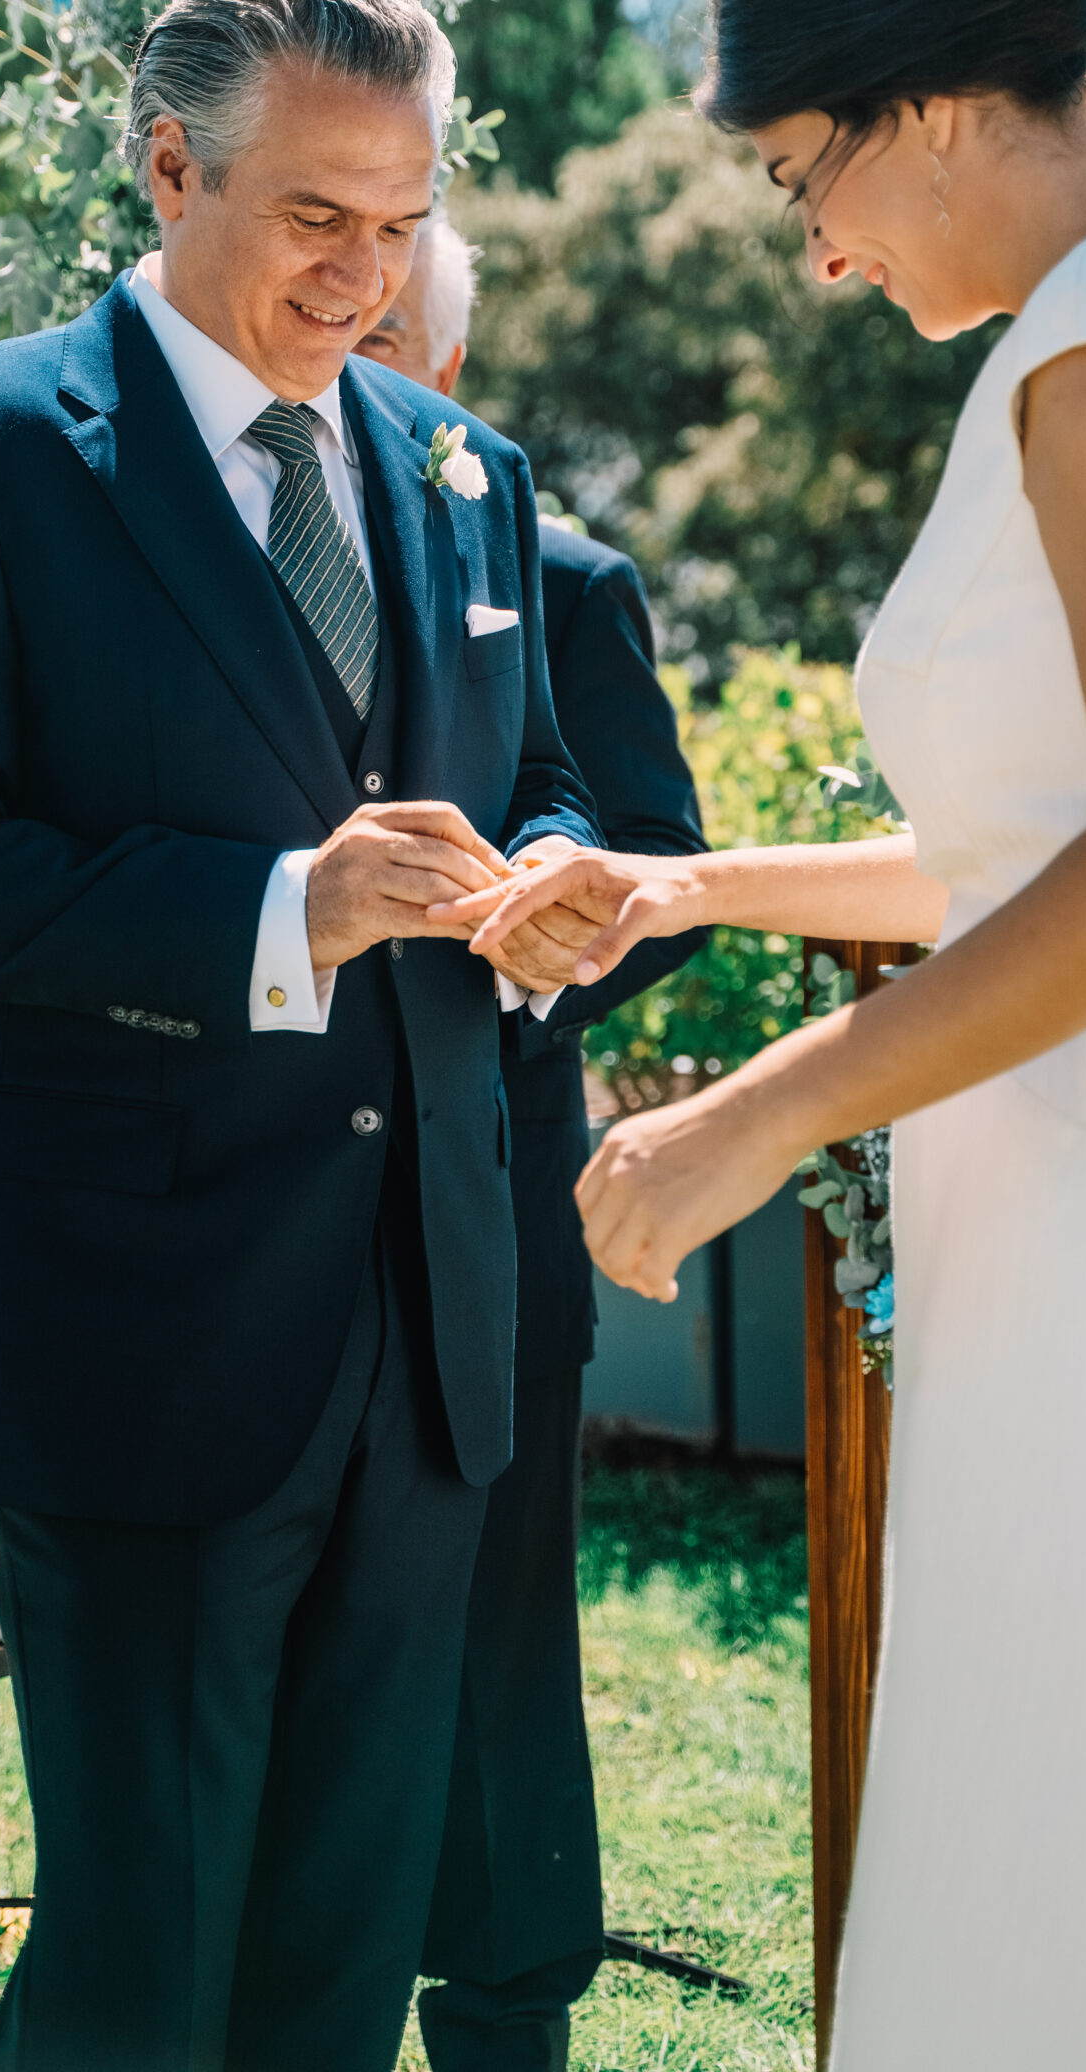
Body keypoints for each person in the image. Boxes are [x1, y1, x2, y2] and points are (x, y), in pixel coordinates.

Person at [446, 0, 1086, 2068]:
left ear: (935, 99)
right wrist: (683, 882)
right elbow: (1048, 843)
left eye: (806, 176)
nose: (819, 252)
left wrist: (756, 1110)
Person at [0, 0, 606, 2072]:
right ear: (169, 169)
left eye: (402, 220)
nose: (366, 274)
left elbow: (532, 766)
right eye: (316, 214)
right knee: (139, 1979)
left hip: (429, 1334)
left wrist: (556, 876)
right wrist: (275, 911)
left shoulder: (465, 469)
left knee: (338, 1962)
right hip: (136, 1340)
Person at [355, 215, 709, 2069]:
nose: (343, 349)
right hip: (258, 1233)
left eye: (386, 334)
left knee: (502, 1670)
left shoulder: (563, 577)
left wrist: (524, 957)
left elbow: (660, 861)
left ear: (448, 369)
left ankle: (505, 2021)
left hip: (492, 1201)